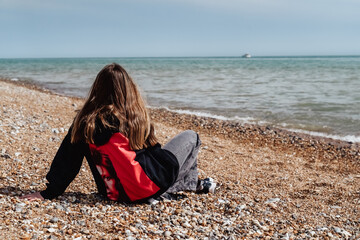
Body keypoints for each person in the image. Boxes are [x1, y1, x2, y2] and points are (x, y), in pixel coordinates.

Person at [20, 63, 216, 203]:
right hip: (145, 188)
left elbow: (67, 160)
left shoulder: (85, 122)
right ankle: (188, 185)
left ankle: (191, 185)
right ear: (128, 89)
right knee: (192, 137)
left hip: (112, 193)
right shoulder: (134, 117)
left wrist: (49, 193)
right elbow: (154, 156)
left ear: (97, 89)